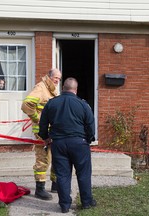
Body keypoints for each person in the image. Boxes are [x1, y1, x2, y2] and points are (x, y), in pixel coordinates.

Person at [38, 77, 96, 213]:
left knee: (63, 175)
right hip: (79, 143)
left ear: (62, 88)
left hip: (58, 143)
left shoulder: (51, 103)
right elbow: (90, 125)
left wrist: (46, 137)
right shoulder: (83, 104)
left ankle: (64, 205)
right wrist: (88, 139)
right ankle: (87, 202)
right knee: (83, 174)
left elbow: (43, 124)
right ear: (75, 90)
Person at [21, 68, 62, 200]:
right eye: (56, 78)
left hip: (53, 131)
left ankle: (55, 185)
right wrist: (36, 119)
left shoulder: (51, 89)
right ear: (49, 77)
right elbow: (26, 104)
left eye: (59, 79)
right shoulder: (41, 87)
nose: (57, 81)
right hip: (42, 132)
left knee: (56, 157)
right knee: (43, 159)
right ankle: (40, 189)